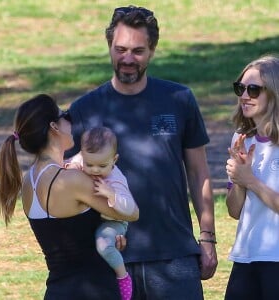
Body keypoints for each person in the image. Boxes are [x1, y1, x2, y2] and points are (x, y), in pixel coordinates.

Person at [66, 5, 218, 299]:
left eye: (138, 51)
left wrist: (208, 237)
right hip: (112, 257)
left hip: (175, 255)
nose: (127, 59)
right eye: (120, 49)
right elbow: (69, 184)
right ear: (109, 46)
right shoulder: (84, 109)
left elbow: (199, 172)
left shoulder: (179, 99)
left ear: (152, 50)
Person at [0, 94, 139, 300]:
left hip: (57, 292)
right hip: (94, 291)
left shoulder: (28, 182)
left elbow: (70, 240)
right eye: (65, 115)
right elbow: (131, 213)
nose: (69, 121)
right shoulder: (72, 180)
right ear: (54, 127)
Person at [225, 55, 279, 300]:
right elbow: (235, 211)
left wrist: (251, 181)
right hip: (246, 256)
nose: (245, 95)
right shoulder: (241, 140)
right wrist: (239, 180)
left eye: (254, 89)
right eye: (241, 88)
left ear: (274, 93)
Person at [66, 126, 137, 300]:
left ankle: (122, 276)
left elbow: (129, 209)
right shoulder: (83, 159)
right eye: (89, 164)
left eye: (102, 165)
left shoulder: (115, 179)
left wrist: (111, 194)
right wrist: (73, 165)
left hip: (114, 221)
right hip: (93, 218)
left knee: (103, 244)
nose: (95, 170)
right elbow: (71, 163)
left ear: (115, 159)